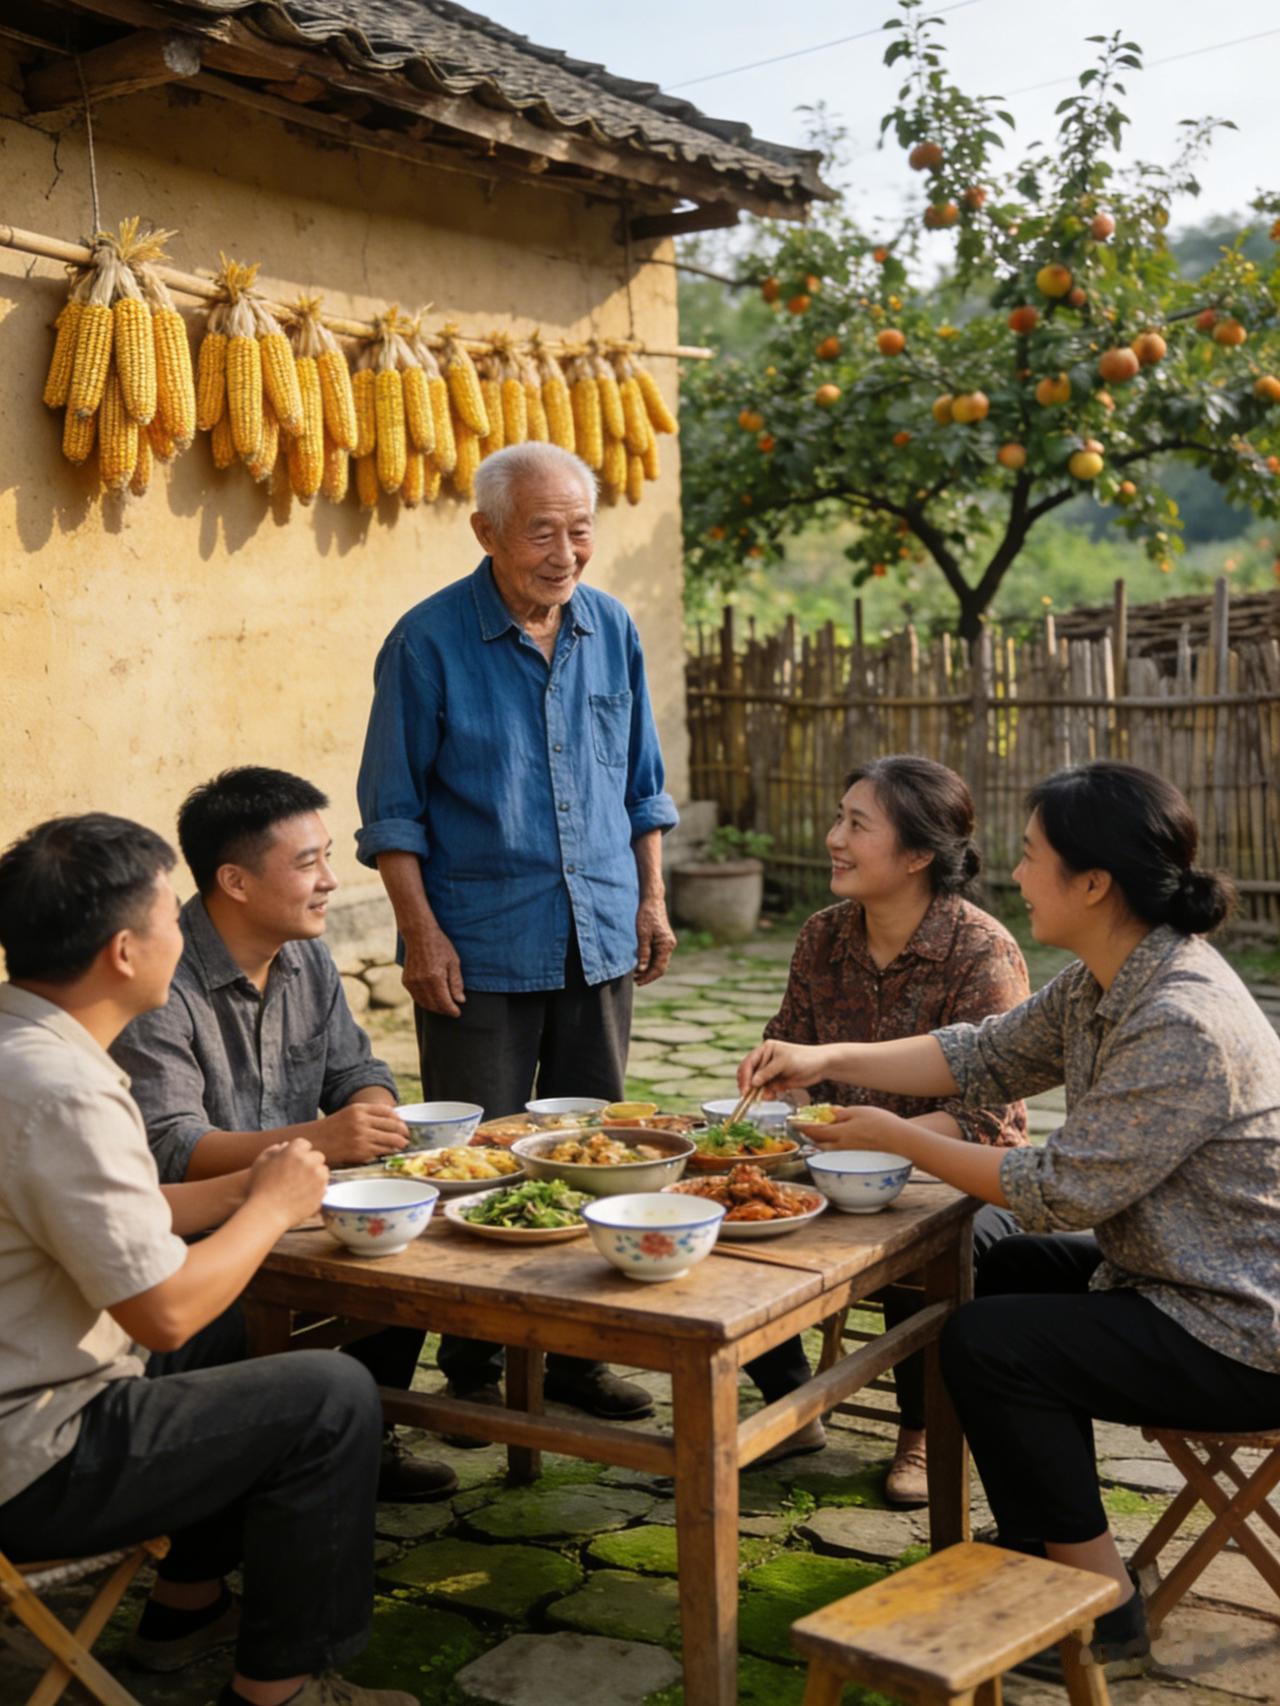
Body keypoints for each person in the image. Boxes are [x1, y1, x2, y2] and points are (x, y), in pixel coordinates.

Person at [741, 760, 1280, 1683]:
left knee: (993, 1339)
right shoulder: (1109, 978)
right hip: (1173, 1277)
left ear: (1094, 882)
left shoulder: (1180, 1016)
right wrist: (823, 1054)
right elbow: (982, 1054)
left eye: (1033, 857)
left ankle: (1102, 1610)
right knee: (998, 1260)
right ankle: (1040, 1540)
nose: (1017, 874)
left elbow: (1062, 1188)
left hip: (1239, 1327)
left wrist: (893, 1139)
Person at [0, 813, 416, 1706]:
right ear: (122, 951)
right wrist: (268, 1211)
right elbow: (164, 1312)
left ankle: (183, 1608)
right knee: (328, 1396)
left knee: (233, 1328)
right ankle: (279, 1690)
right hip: (28, 1451)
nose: (177, 935)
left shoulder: (23, 1048)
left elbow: (112, 1216)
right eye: (165, 918)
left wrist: (252, 1187)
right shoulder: (64, 1088)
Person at [356, 442, 678, 1430]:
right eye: (542, 528)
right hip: (479, 942)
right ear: (486, 531)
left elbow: (642, 783)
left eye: (581, 526)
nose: (566, 549)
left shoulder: (610, 625)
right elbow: (392, 810)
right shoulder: (426, 643)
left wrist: (652, 897)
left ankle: (575, 1355)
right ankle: (471, 1358)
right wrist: (418, 934)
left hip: (599, 928)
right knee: (478, 1156)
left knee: (596, 1149)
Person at [111, 767, 453, 1502]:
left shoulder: (305, 954)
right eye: (309, 863)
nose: (332, 880)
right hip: (203, 1233)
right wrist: (322, 1143)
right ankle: (262, 1465)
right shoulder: (160, 980)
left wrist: (370, 1110)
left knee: (410, 1226)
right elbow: (172, 1145)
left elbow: (357, 1067)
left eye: (329, 856)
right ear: (234, 881)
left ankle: (372, 1432)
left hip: (303, 1205)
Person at [745, 756, 1029, 1493]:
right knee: (727, 1209)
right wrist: (778, 1091)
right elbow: (795, 1053)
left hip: (956, 1174)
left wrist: (878, 1141)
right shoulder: (822, 936)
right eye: (840, 818)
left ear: (917, 855)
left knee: (928, 1240)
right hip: (833, 1157)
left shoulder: (980, 949)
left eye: (857, 825)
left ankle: (925, 1432)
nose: (835, 837)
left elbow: (987, 1114)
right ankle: (790, 1404)